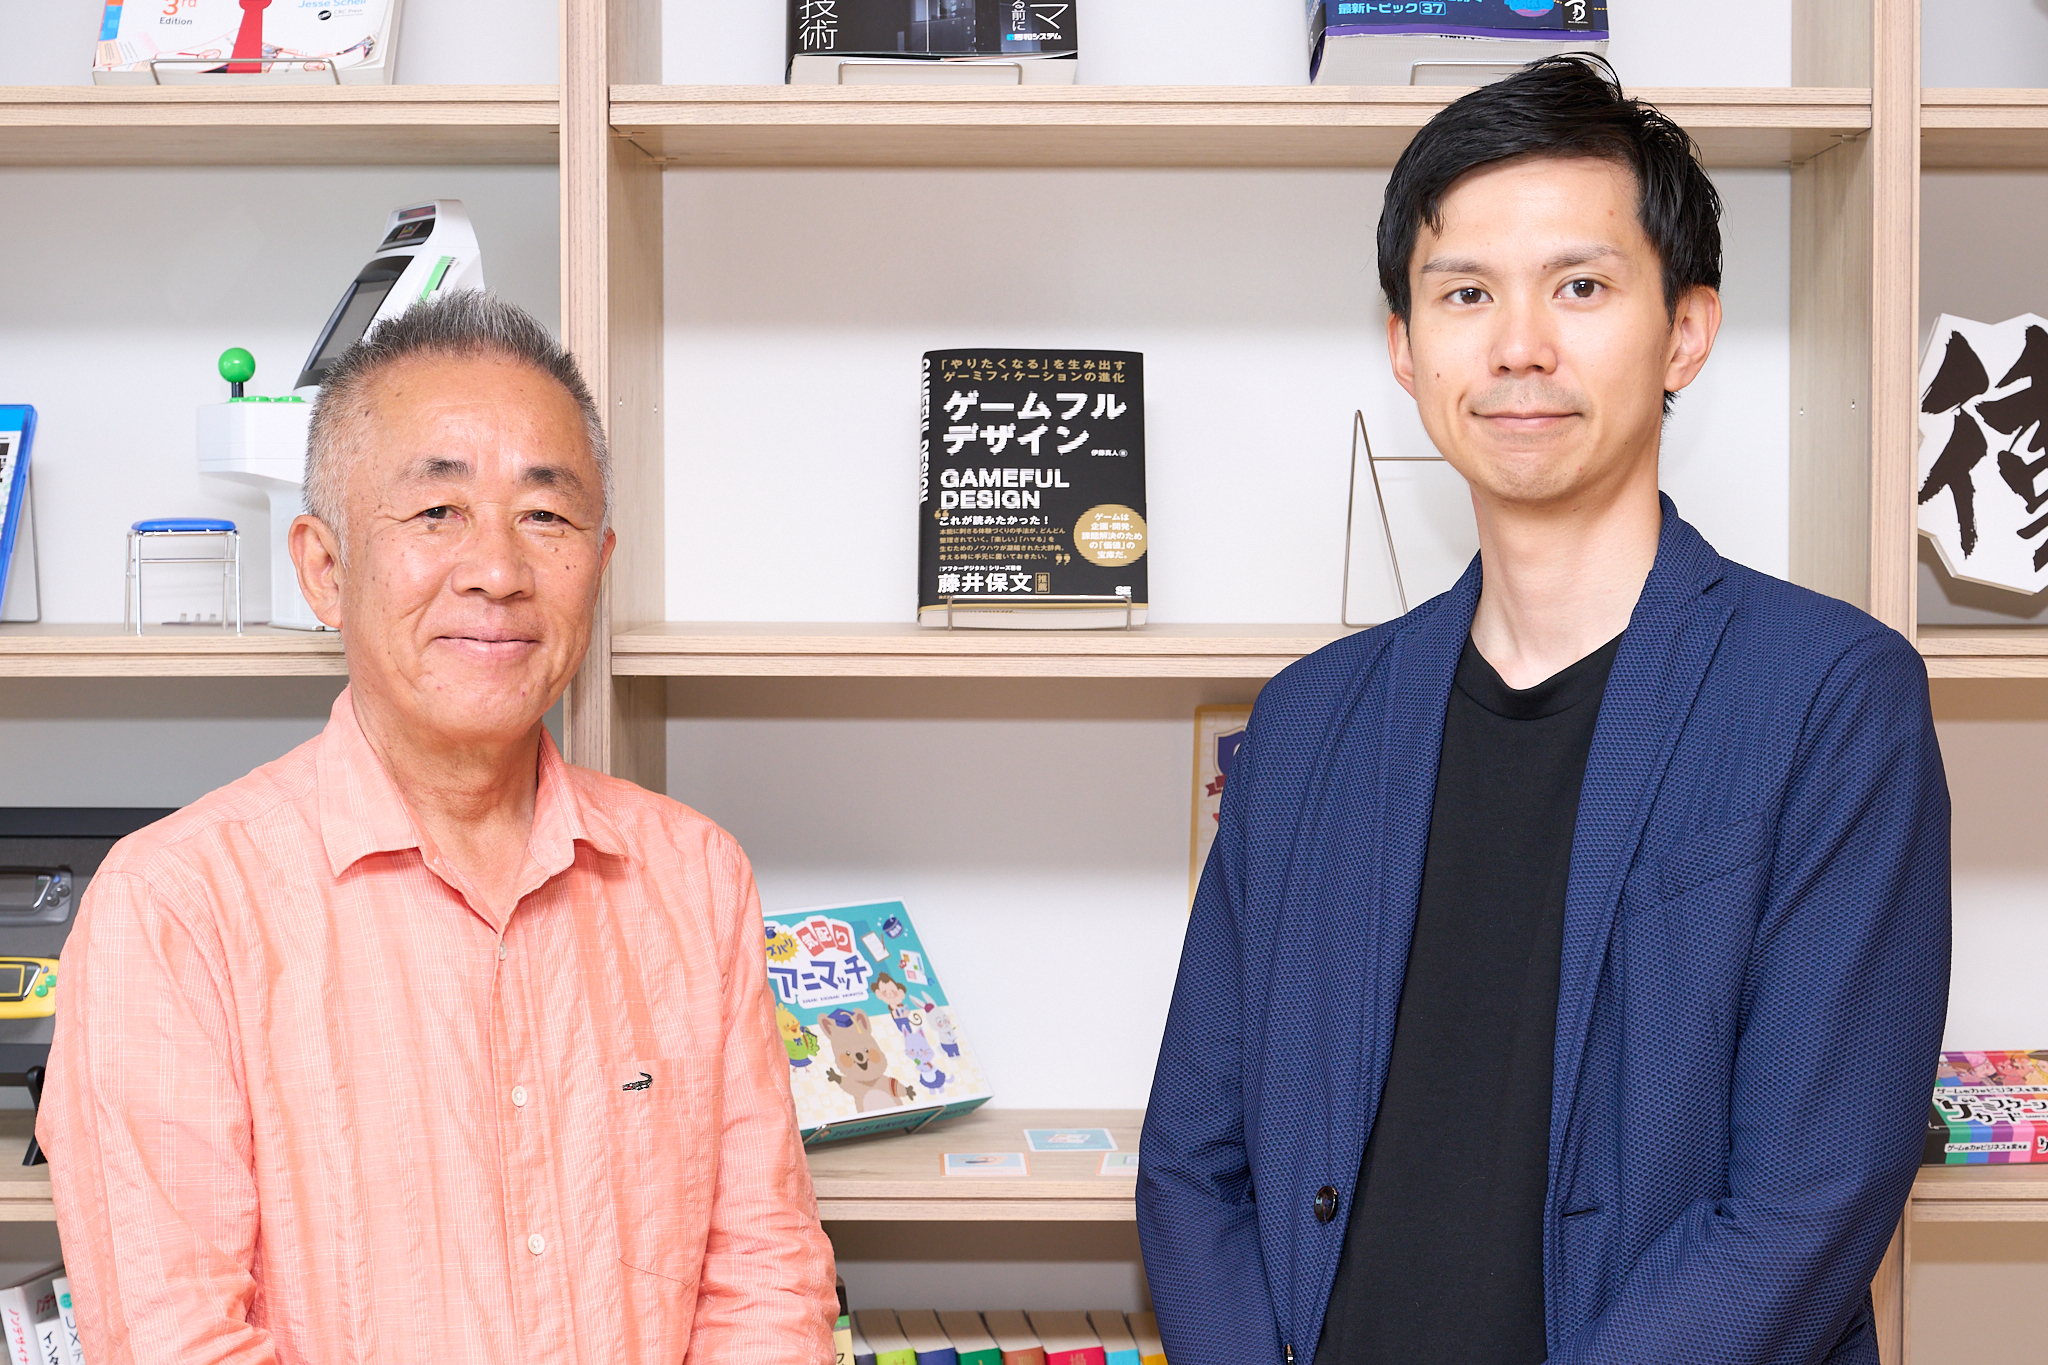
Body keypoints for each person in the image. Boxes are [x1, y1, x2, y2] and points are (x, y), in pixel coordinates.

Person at [1137, 57, 1950, 1365]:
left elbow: (1810, 1200)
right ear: (1405, 348)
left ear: (1685, 331)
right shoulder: (1305, 727)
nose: (1519, 347)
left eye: (1580, 286)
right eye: (1465, 294)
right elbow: (1192, 1166)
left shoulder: (1828, 700)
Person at [40, 293, 838, 1364]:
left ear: (599, 564)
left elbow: (764, 1281)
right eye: (435, 512)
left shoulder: (692, 874)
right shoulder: (175, 906)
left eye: (545, 517)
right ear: (325, 569)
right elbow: (171, 1339)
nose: (498, 571)